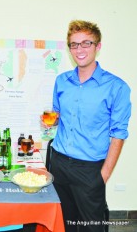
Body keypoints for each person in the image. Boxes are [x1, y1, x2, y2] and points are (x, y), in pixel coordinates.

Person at [50, 20, 131, 232]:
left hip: (89, 170)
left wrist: (102, 176)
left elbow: (119, 135)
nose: (80, 49)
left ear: (98, 46)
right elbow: (58, 116)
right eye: (74, 44)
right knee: (64, 224)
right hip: (58, 163)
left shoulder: (117, 87)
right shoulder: (61, 81)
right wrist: (51, 120)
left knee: (91, 227)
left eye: (86, 43)